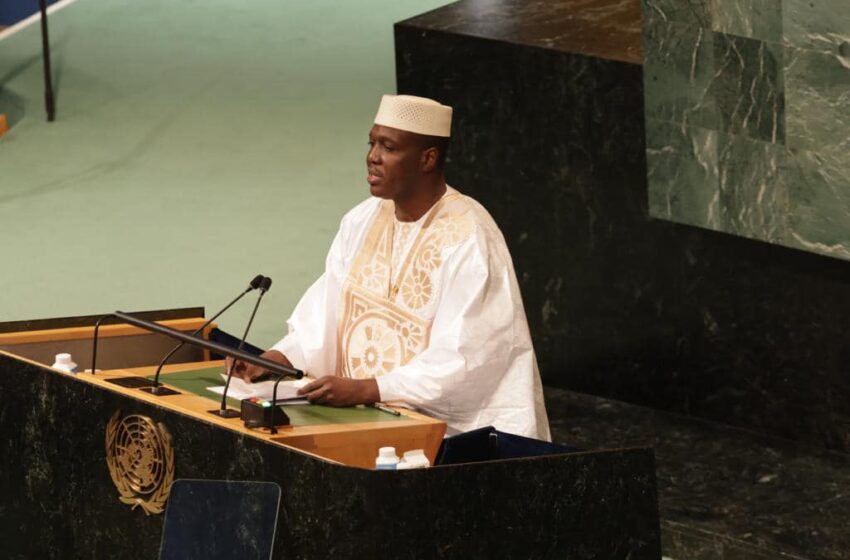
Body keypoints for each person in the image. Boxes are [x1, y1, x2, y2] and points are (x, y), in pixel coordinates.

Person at [231, 94, 550, 440]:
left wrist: (371, 389)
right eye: (371, 143)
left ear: (428, 159)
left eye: (389, 147)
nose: (372, 157)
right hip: (355, 421)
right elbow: (328, 311)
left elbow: (467, 356)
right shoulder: (362, 219)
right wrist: (279, 357)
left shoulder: (469, 236)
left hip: (448, 440)